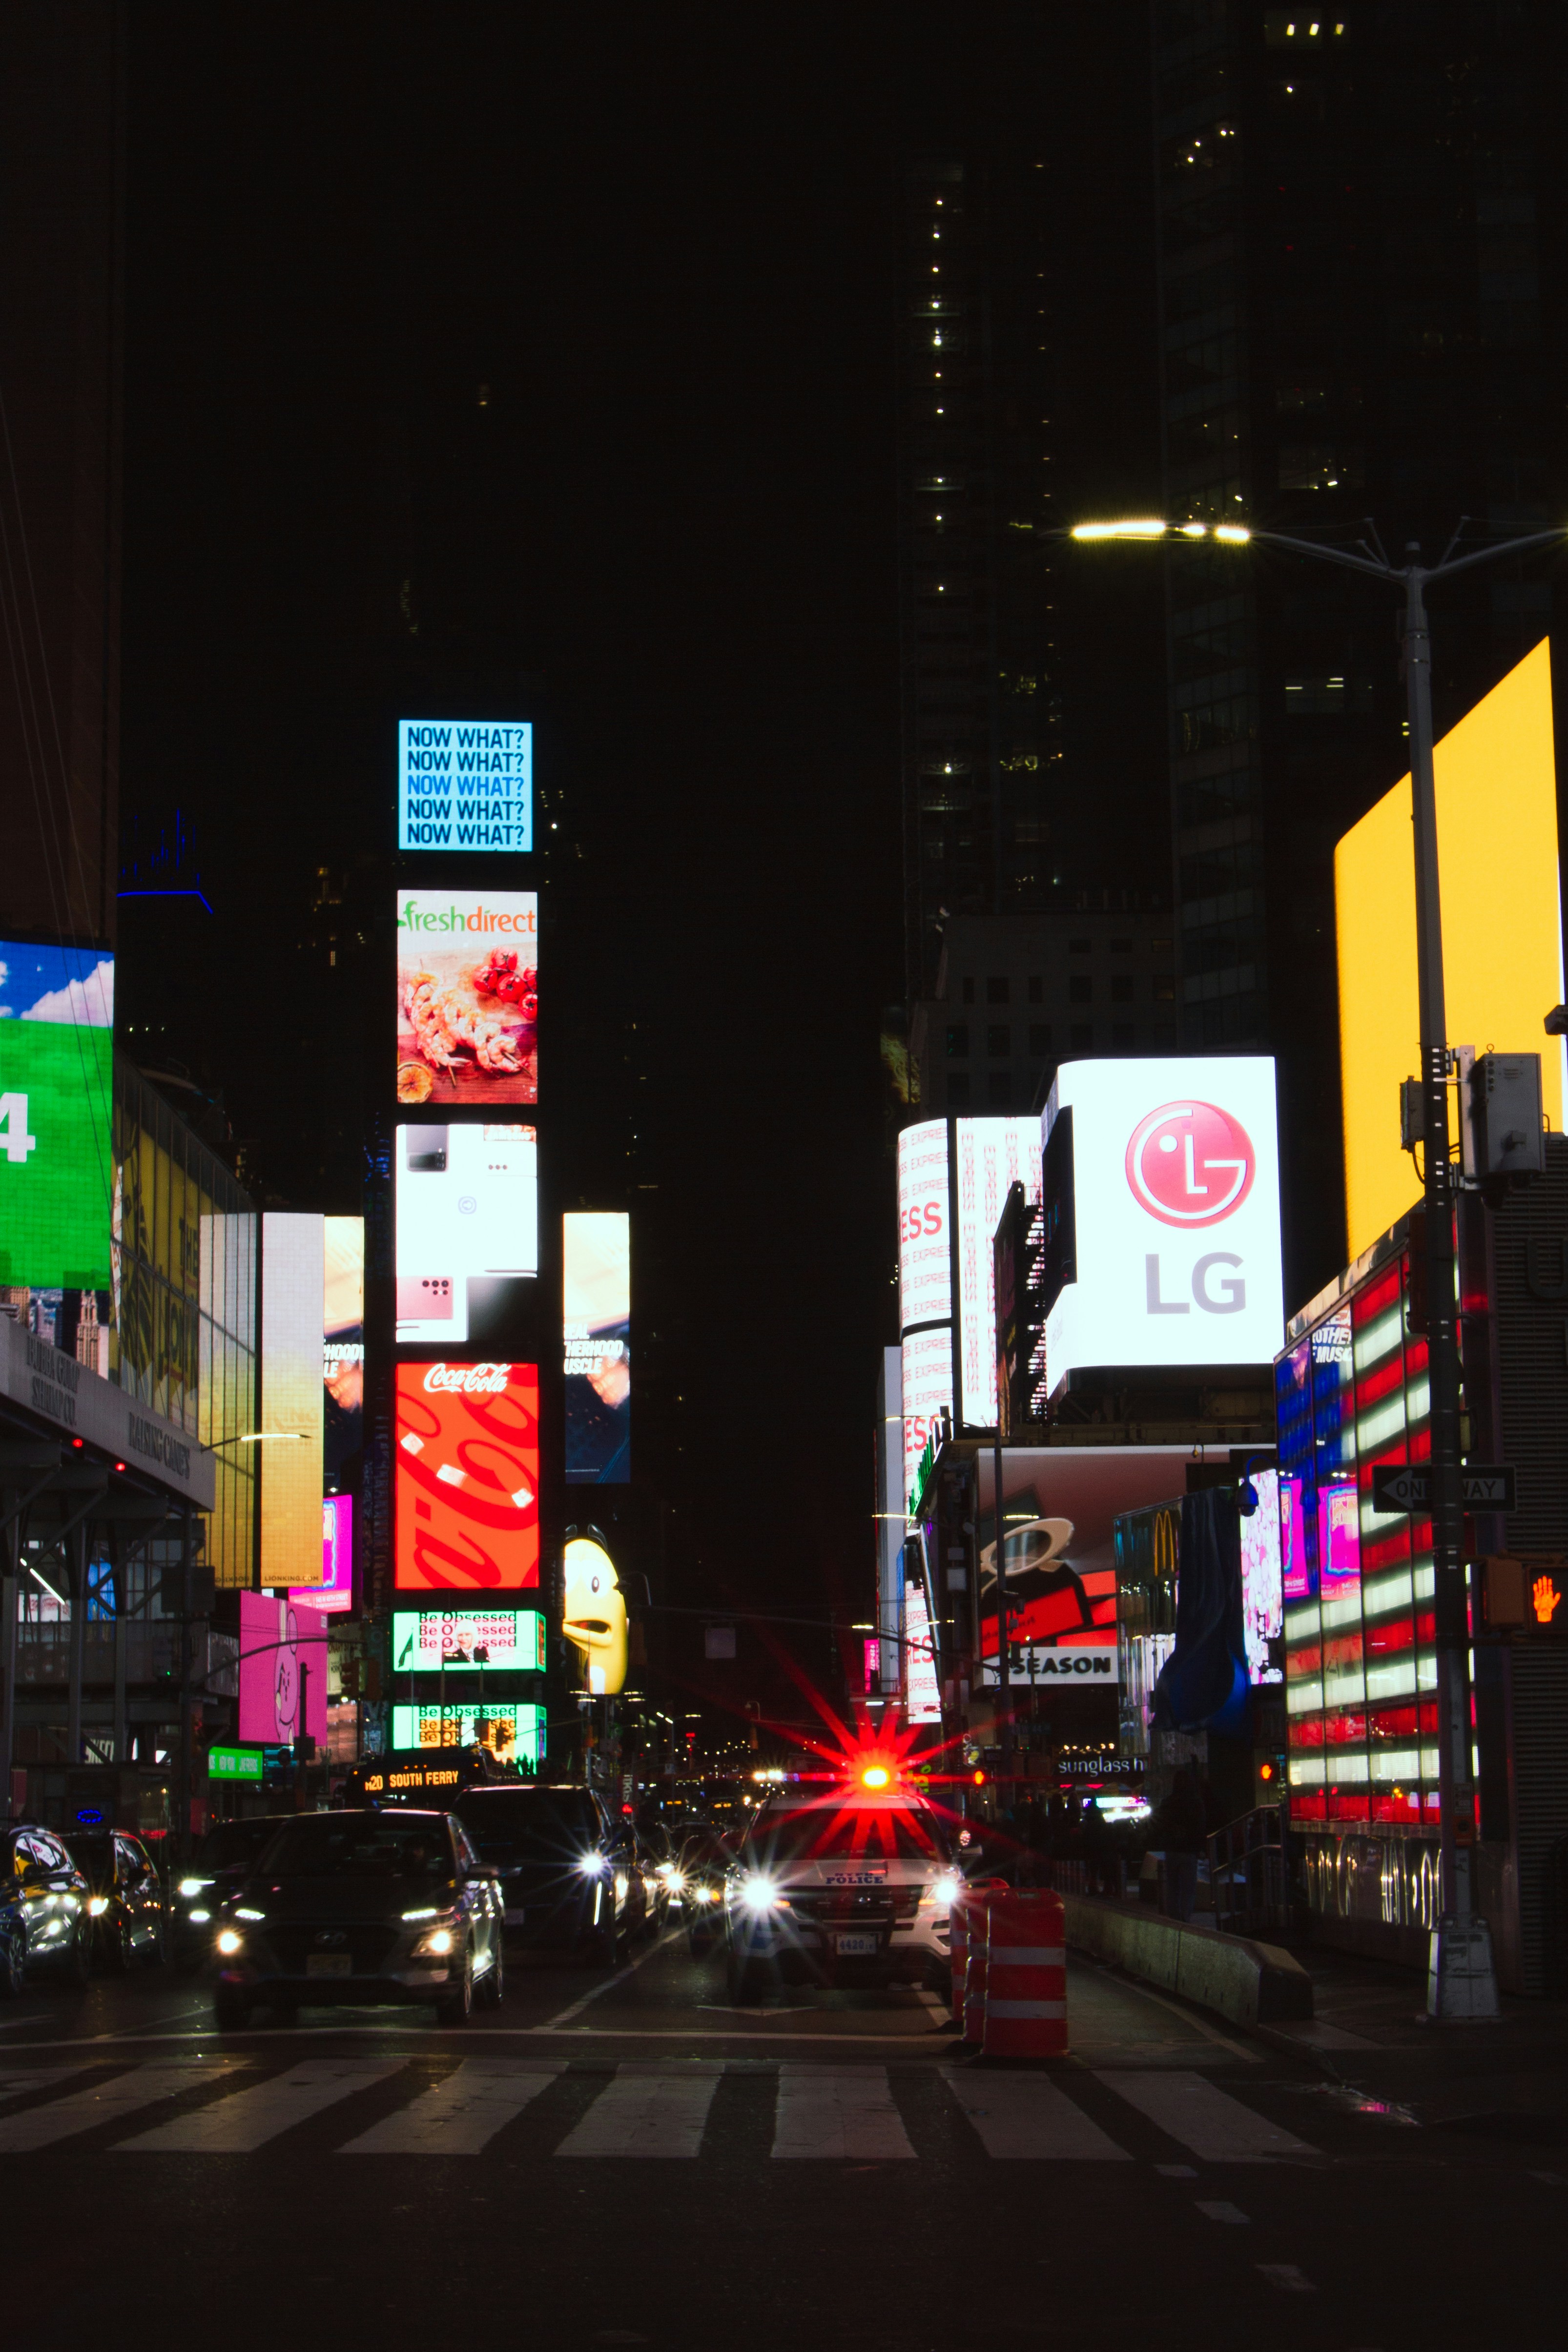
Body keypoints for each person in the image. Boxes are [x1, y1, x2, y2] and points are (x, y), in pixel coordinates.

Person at [1155, 1767, 1206, 1921]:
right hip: (1189, 1850)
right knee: (1188, 1887)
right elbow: (1200, 1827)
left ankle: (1174, 1915)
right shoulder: (1195, 1802)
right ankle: (1185, 1916)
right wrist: (1200, 1847)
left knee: (1173, 1886)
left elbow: (1160, 1824)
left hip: (1172, 1849)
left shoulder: (1169, 1802)